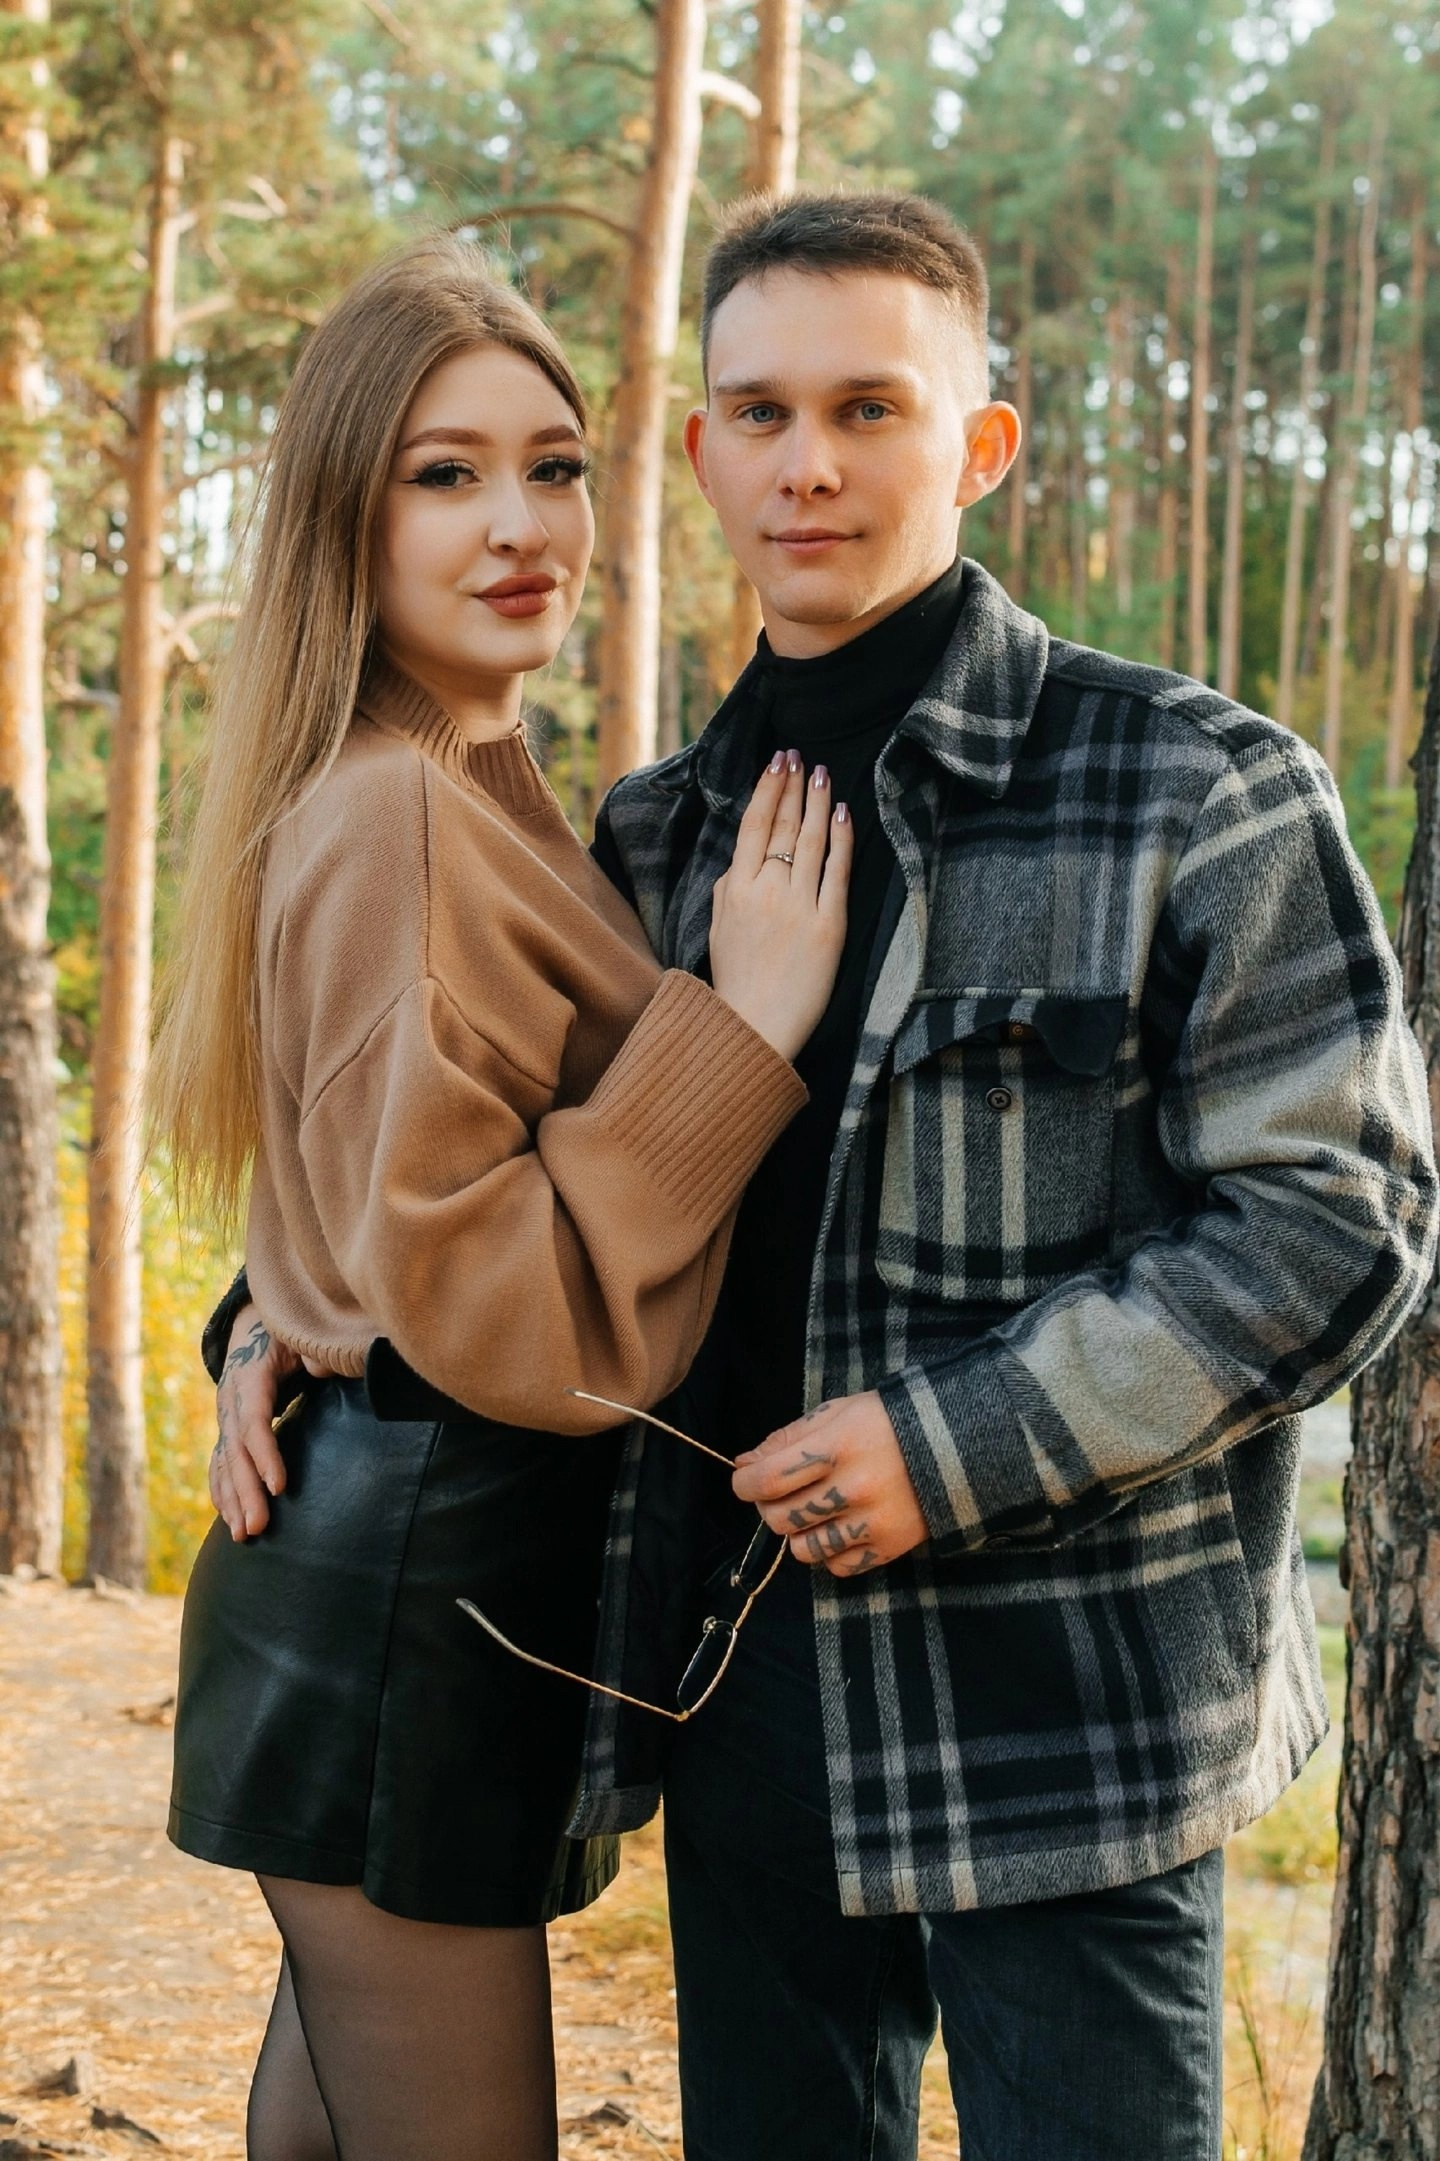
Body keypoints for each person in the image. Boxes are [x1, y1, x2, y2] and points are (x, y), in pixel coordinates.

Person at [212, 193, 1439, 2161]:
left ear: (981, 444)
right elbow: (457, 1155)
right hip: (733, 1701)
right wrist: (276, 1318)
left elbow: (1339, 1220)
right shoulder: (651, 835)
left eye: (870, 408)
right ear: (701, 455)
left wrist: (945, 1448)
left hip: (1071, 1728)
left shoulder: (1194, 787)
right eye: (763, 415)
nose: (810, 465)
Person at [150, 232, 852, 2161]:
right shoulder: (398, 808)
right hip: (413, 1578)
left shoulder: (466, 779)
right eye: (445, 474)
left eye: (553, 465)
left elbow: (377, 1194)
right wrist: (740, 1024)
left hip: (405, 1559)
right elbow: (487, 1295)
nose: (522, 523)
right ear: (346, 519)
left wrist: (273, 1316)